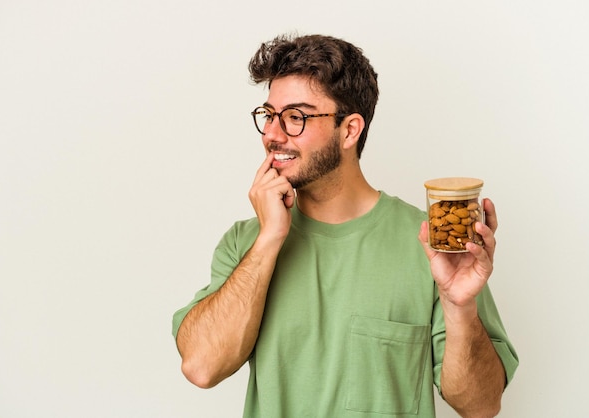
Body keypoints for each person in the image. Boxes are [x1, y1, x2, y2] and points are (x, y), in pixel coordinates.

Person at [172, 33, 518, 418]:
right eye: (269, 115)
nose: (272, 133)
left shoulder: (430, 246)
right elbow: (201, 367)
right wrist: (270, 237)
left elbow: (481, 406)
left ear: (350, 130)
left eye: (295, 117)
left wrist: (460, 306)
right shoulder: (246, 243)